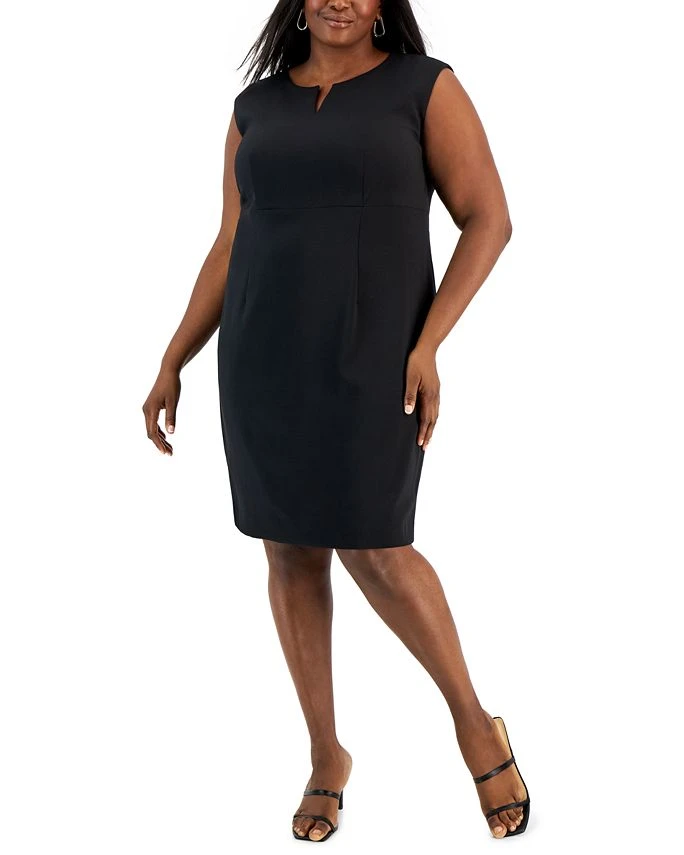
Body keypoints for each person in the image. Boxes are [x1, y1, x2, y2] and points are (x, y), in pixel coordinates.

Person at [142, 0, 530, 842]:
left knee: (377, 546)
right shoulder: (255, 107)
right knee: (288, 548)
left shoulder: (423, 89)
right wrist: (175, 356)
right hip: (261, 357)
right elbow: (230, 241)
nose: (339, 0)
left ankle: (473, 721)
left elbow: (488, 219)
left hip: (373, 358)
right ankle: (327, 754)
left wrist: (429, 343)